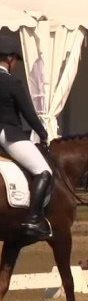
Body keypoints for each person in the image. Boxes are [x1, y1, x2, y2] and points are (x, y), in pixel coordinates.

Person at [0, 45, 53, 238]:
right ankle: (32, 220)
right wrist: (43, 133)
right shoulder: (11, 82)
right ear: (11, 59)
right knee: (44, 171)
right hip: (7, 134)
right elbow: (28, 112)